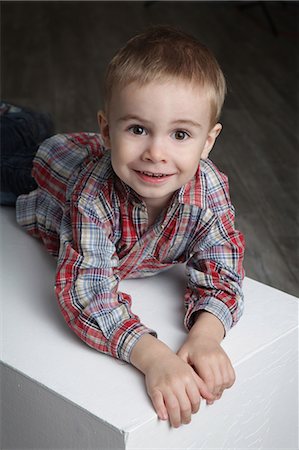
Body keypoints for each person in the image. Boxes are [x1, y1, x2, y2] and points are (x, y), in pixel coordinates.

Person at [16, 26, 245, 428]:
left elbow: (224, 269)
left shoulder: (207, 188)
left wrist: (207, 336)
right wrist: (152, 355)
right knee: (17, 152)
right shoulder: (94, 194)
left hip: (90, 160)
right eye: (137, 129)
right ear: (108, 130)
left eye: (180, 134)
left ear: (207, 142)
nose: (156, 152)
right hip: (46, 177)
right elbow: (86, 291)